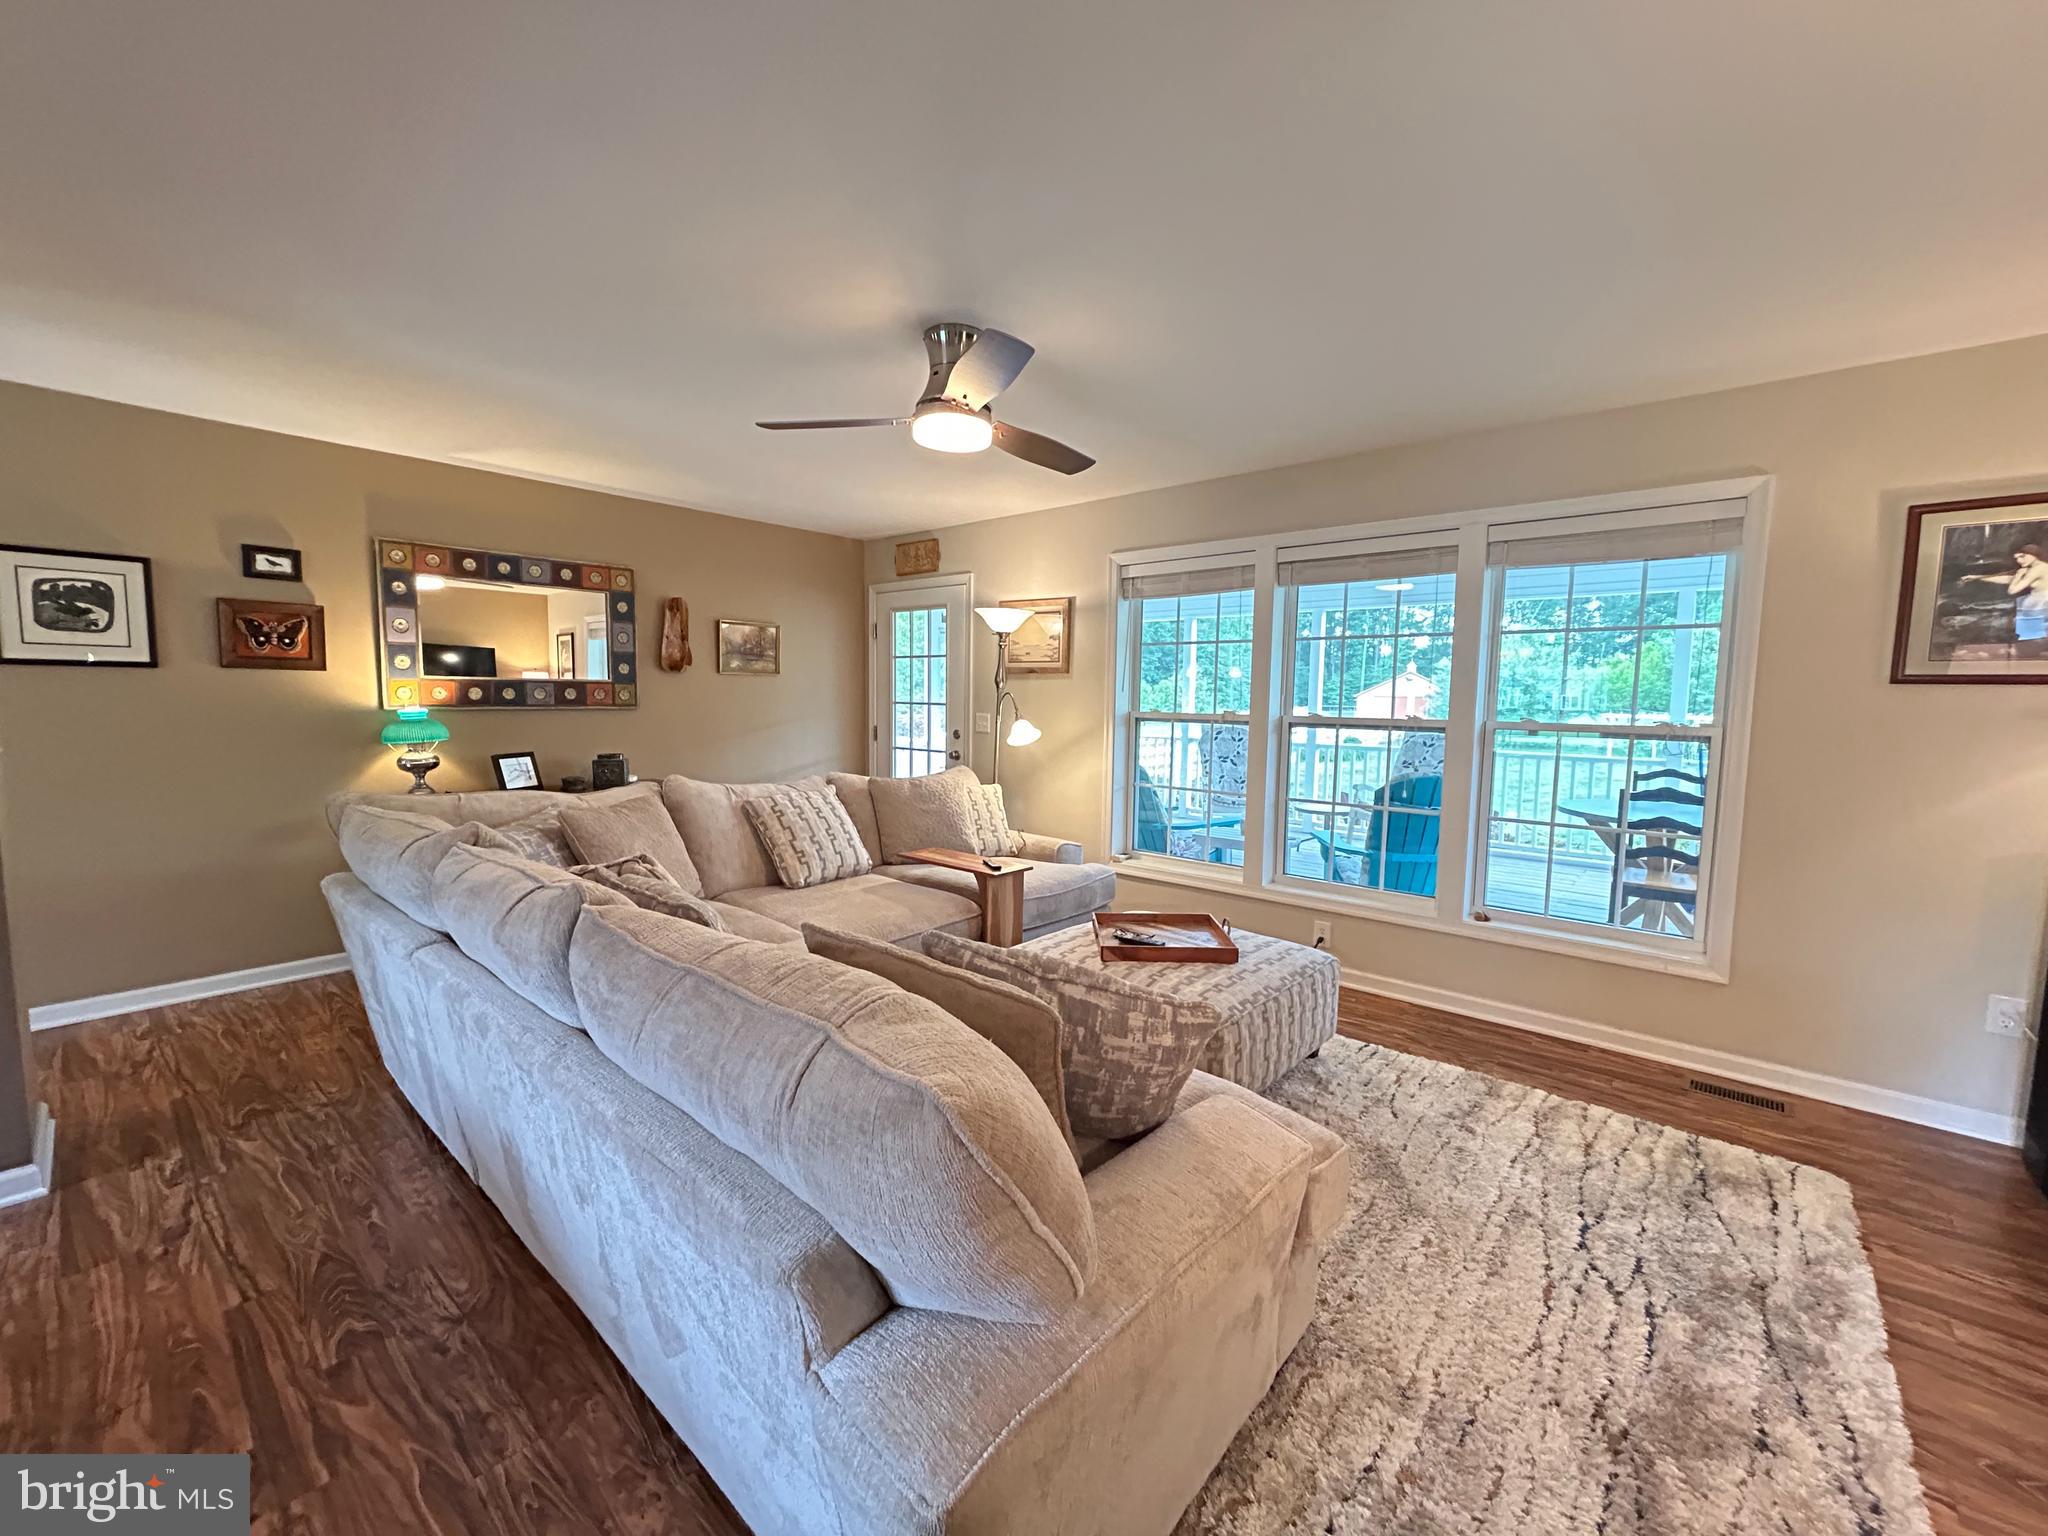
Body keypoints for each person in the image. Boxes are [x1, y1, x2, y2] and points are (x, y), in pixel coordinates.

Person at [1960, 544, 2048, 655]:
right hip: (2037, 603)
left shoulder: (2037, 569)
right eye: (2017, 558)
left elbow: (2013, 590)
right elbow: (2008, 579)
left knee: (2034, 635)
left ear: (2034, 555)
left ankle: (2029, 653)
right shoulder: (2038, 567)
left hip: (2041, 604)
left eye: (2023, 556)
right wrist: (1977, 577)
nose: (2019, 561)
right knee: (2034, 634)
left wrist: (2018, 575)